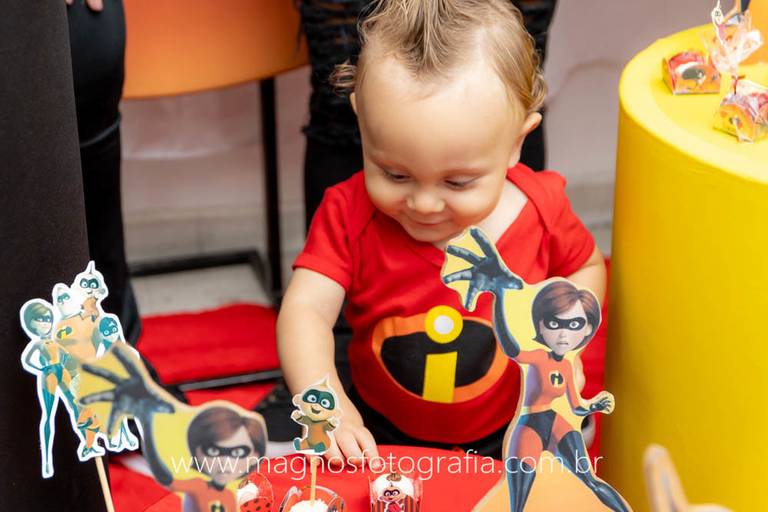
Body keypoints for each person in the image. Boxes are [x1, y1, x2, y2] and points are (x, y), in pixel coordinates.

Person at [277, 0, 606, 464]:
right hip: (379, 431)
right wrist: (326, 406)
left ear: (518, 142)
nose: (425, 204)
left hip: (511, 428)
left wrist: (564, 350)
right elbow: (306, 309)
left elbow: (585, 266)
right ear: (362, 124)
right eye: (395, 174)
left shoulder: (541, 208)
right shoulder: (348, 213)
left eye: (457, 182)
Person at [442, 233, 625, 511]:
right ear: (540, 325)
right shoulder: (537, 356)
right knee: (517, 493)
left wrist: (591, 406)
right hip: (530, 426)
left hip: (558, 423)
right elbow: (510, 344)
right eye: (554, 323)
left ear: (587, 328)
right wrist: (500, 294)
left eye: (575, 325)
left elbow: (575, 405)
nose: (563, 334)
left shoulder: (564, 364)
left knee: (587, 480)